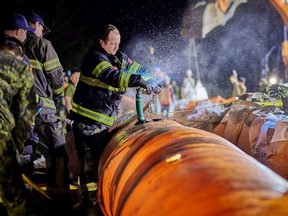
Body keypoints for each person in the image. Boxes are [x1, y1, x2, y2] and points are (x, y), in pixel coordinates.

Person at [70, 24, 161, 214]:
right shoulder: (95, 58)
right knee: (90, 169)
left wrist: (152, 80)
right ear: (102, 42)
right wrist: (138, 81)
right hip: (88, 123)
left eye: (118, 43)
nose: (116, 48)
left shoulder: (117, 56)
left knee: (102, 165)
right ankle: (91, 208)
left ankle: (102, 202)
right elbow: (114, 77)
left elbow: (138, 69)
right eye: (112, 44)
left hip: (104, 123)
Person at [24, 12, 71, 210]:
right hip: (44, 111)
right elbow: (56, 75)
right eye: (42, 28)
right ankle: (57, 199)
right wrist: (59, 95)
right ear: (35, 25)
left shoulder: (13, 47)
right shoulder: (43, 45)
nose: (43, 32)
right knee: (58, 152)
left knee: (25, 154)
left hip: (20, 112)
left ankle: (27, 197)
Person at [0, 37, 37, 215]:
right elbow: (26, 115)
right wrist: (16, 148)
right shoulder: (21, 69)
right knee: (15, 199)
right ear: (20, 57)